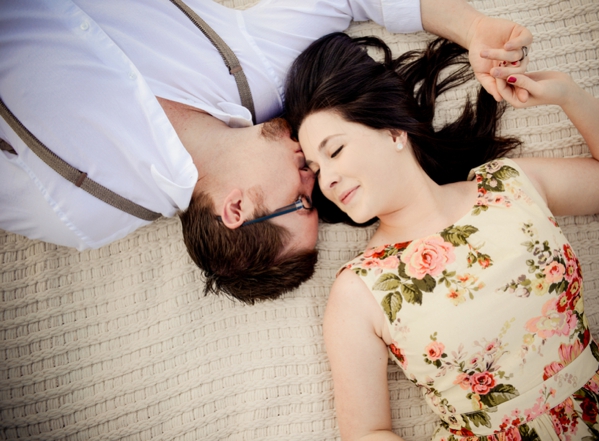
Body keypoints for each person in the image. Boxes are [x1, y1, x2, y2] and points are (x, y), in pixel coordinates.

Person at [0, 0, 531, 303]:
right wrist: (473, 29)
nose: (316, 183)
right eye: (312, 201)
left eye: (301, 204)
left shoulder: (77, 214)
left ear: (235, 209)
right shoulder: (261, 75)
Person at [283, 32, 599, 440]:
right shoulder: (358, 291)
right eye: (317, 169)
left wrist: (569, 95)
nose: (329, 180)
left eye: (334, 151)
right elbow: (366, 433)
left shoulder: (510, 186)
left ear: (394, 132)